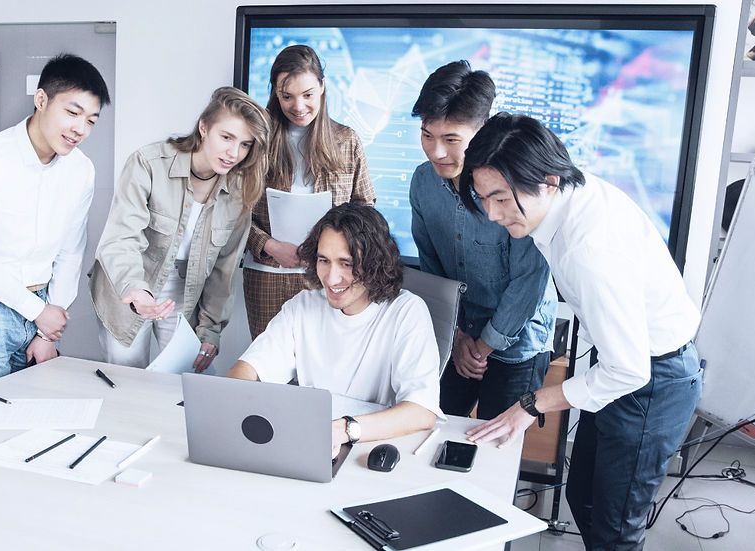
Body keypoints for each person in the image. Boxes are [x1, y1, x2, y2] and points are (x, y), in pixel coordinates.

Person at [461, 113, 702, 550]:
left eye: (500, 199)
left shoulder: (588, 249)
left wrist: (530, 404)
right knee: (583, 498)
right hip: (624, 365)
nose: (493, 215)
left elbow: (628, 372)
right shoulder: (562, 195)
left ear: (547, 180)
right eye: (484, 199)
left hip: (652, 380)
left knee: (614, 529)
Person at [0, 54, 110, 394]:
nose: (81, 129)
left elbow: (70, 253)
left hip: (43, 309)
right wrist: (39, 313)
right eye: (72, 112)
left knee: (32, 422)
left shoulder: (81, 170)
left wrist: (46, 329)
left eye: (91, 121)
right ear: (41, 100)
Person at [229, 203, 441, 455]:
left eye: (346, 264)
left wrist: (343, 430)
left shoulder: (407, 311)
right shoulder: (303, 306)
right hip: (312, 443)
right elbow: (244, 371)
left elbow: (422, 411)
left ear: (375, 262)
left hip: (373, 446)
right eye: (324, 260)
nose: (331, 278)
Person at [409, 60, 557, 420]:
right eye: (428, 135)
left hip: (516, 340)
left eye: (451, 139)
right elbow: (430, 266)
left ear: (483, 131)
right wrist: (457, 335)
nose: (436, 152)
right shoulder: (423, 182)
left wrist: (484, 345)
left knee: (495, 451)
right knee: (429, 427)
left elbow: (528, 280)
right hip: (458, 334)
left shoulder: (514, 186)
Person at [90, 87, 269, 371]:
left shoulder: (240, 191)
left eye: (245, 144)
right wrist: (137, 291)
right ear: (204, 127)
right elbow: (121, 239)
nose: (234, 153)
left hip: (185, 292)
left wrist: (210, 330)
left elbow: (225, 271)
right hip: (130, 284)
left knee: (188, 379)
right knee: (126, 377)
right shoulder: (147, 164)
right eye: (227, 137)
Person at [243, 44, 375, 339]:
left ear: (322, 88)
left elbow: (365, 209)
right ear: (275, 92)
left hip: (329, 279)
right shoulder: (255, 140)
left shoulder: (346, 140)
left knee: (323, 370)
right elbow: (232, 210)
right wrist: (269, 245)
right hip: (267, 276)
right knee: (270, 372)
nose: (298, 106)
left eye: (308, 95)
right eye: (286, 96)